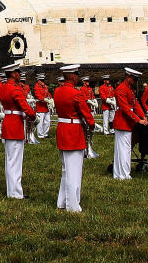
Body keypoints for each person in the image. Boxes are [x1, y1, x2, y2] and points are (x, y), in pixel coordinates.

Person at [54, 64, 95, 212]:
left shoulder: (57, 91)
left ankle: (63, 201)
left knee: (66, 169)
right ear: (72, 76)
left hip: (62, 129)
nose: (78, 77)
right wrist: (91, 125)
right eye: (77, 74)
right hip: (73, 131)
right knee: (74, 170)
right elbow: (87, 115)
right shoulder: (75, 93)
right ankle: (73, 205)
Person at [0, 62, 36, 199]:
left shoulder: (3, 88)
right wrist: (33, 116)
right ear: (13, 74)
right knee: (15, 160)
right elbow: (24, 105)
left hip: (8, 122)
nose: (19, 74)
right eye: (18, 72)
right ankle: (16, 193)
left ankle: (11, 190)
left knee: (10, 159)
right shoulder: (15, 89)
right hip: (15, 125)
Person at [113, 68, 148, 180]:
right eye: (134, 79)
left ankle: (121, 173)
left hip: (127, 122)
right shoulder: (121, 89)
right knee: (124, 149)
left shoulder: (129, 89)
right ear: (128, 77)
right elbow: (126, 108)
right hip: (123, 122)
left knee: (125, 148)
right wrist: (138, 120)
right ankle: (123, 174)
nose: (135, 82)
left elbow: (135, 104)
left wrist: (143, 116)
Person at [33, 74, 51, 139]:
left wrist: (50, 98)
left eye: (43, 79)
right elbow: (38, 95)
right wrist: (44, 99)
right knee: (40, 122)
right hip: (40, 106)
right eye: (41, 80)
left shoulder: (45, 86)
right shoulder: (36, 86)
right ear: (38, 80)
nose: (42, 81)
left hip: (45, 106)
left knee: (47, 121)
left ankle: (45, 133)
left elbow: (48, 93)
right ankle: (40, 135)